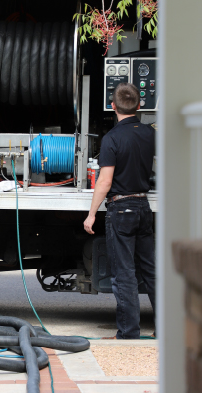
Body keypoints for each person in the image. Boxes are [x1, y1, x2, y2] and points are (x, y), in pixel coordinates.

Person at [83, 82, 156, 339]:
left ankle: (128, 332)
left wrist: (92, 213)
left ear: (112, 107)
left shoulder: (112, 138)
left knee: (124, 272)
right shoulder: (150, 133)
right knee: (150, 269)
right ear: (140, 105)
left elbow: (104, 181)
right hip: (143, 206)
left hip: (121, 208)